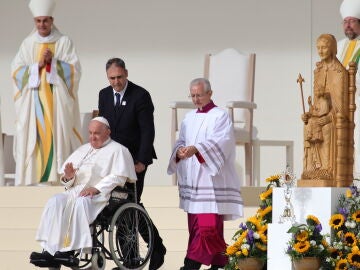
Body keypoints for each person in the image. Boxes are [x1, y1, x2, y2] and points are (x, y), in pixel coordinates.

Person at [30, 116, 137, 268]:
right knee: (55, 201)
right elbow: (68, 183)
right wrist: (69, 177)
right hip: (76, 191)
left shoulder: (119, 150)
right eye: (90, 133)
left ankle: (69, 251)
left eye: (97, 133)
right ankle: (49, 250)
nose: (92, 137)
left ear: (108, 132)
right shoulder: (83, 149)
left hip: (102, 195)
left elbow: (118, 176)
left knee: (81, 203)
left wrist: (97, 188)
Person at [167, 78, 243, 270]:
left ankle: (190, 264)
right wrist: (180, 151)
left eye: (199, 95)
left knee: (207, 228)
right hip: (193, 179)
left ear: (210, 93)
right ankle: (221, 262)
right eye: (192, 95)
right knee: (196, 226)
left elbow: (221, 143)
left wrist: (198, 150)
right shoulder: (188, 118)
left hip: (211, 180)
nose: (196, 99)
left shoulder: (221, 116)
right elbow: (181, 140)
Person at [98, 58, 166, 270]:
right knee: (122, 205)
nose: (116, 82)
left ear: (126, 73)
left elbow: (148, 130)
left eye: (119, 77)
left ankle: (139, 256)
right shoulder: (104, 94)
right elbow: (104, 127)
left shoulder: (140, 95)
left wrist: (142, 161)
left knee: (130, 203)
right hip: (113, 162)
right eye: (112, 78)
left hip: (135, 160)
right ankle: (140, 254)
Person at [11, 0, 82, 186]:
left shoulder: (64, 42)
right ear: (34, 22)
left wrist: (55, 63)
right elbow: (16, 73)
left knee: (56, 136)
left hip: (57, 105)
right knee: (34, 139)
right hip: (33, 106)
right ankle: (33, 179)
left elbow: (75, 71)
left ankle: (57, 179)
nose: (42, 25)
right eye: (38, 21)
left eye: (45, 21)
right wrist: (37, 66)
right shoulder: (28, 44)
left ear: (52, 20)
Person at [301, 34, 350, 182]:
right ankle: (312, 169)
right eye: (318, 48)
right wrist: (309, 114)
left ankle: (327, 169)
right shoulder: (319, 71)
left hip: (335, 119)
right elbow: (318, 104)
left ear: (332, 48)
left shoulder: (340, 72)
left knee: (326, 128)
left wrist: (329, 118)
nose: (320, 51)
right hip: (320, 117)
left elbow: (341, 106)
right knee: (308, 125)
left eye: (324, 47)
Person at [338, 0, 360, 177]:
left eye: (352, 21)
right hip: (340, 105)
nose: (348, 26)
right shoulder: (337, 46)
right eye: (345, 22)